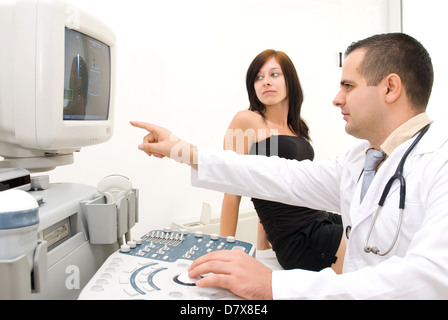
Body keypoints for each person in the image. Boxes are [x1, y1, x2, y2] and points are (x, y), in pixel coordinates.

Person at [131, 33, 448, 300]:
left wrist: (273, 284)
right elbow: (275, 176)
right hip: (299, 238)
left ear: (390, 88)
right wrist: (182, 150)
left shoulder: (439, 161)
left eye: (348, 86)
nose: (337, 99)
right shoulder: (360, 160)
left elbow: (430, 277)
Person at [219, 49, 345, 273]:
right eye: (258, 77)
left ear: (290, 80)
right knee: (368, 244)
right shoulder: (247, 120)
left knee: (372, 226)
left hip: (320, 219)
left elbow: (272, 184)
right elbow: (232, 191)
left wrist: (263, 245)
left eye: (274, 74)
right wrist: (223, 251)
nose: (265, 82)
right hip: (298, 238)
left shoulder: (298, 124)